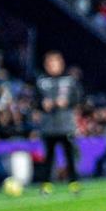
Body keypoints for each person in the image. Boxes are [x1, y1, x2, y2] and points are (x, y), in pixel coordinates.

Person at [35, 50, 81, 195]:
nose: (53, 65)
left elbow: (78, 98)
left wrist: (67, 102)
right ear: (46, 65)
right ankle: (46, 184)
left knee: (69, 155)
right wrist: (42, 104)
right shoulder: (41, 81)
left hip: (66, 124)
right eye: (50, 63)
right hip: (48, 125)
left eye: (56, 62)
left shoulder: (69, 80)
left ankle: (73, 182)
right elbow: (34, 101)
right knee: (48, 157)